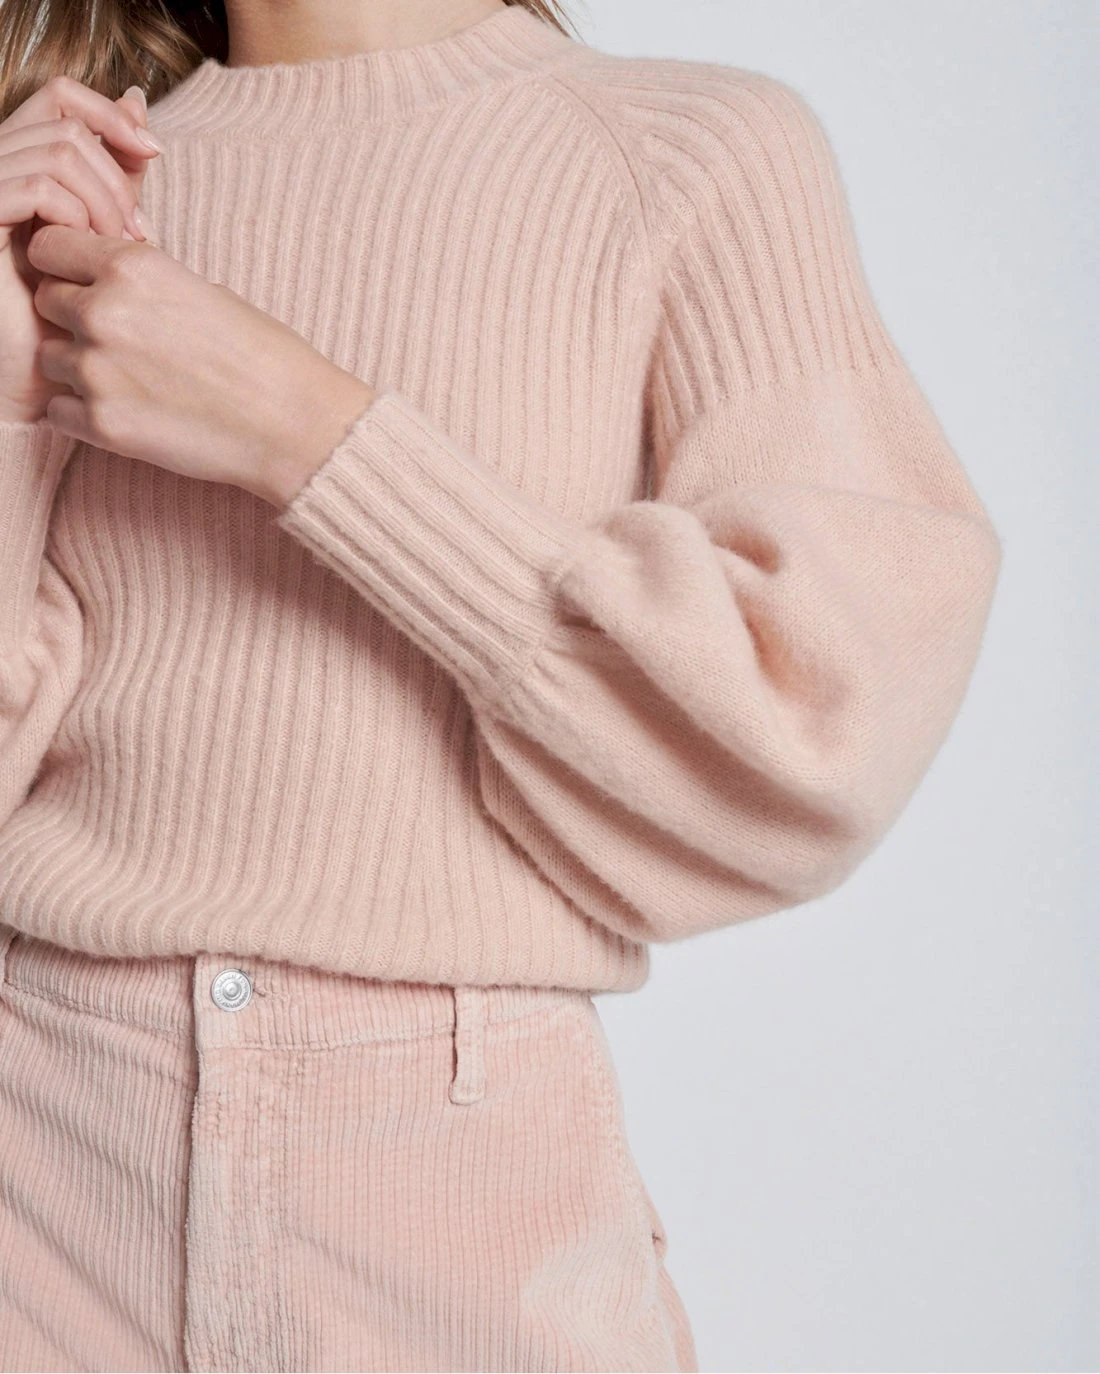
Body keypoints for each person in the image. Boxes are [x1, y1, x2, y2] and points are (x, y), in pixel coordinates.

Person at [0, 0, 1002, 1369]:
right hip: (44, 1175)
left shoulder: (682, 154)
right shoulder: (72, 188)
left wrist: (312, 436)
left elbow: (811, 729)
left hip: (457, 1202)